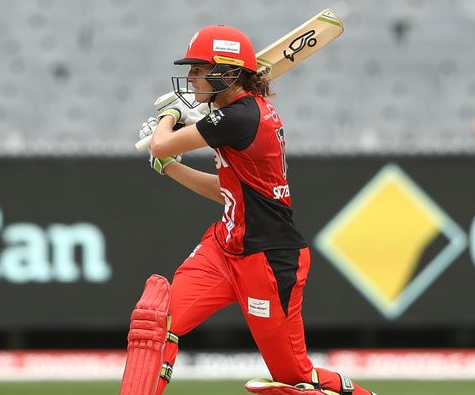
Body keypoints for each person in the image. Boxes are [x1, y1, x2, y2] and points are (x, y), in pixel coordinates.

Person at [120, 25, 376, 395]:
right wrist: (172, 166)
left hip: (268, 260)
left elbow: (160, 145)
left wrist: (169, 117)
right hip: (223, 250)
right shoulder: (234, 118)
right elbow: (227, 193)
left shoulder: (240, 119)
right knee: (156, 322)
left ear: (225, 72)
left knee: (293, 376)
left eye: (198, 69)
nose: (190, 78)